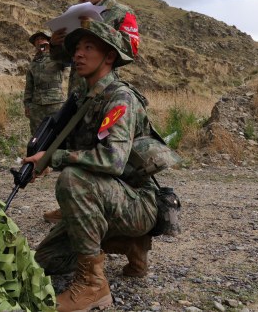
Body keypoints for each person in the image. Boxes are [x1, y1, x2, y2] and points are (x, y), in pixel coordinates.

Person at [23, 19, 158, 312]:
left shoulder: (119, 97)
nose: (78, 55)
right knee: (46, 261)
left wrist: (55, 159)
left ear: (109, 56)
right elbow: (79, 149)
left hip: (138, 201)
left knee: (72, 179)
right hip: (111, 199)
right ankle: (127, 243)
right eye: (76, 49)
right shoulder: (84, 98)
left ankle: (94, 285)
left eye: (88, 47)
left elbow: (113, 160)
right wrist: (43, 160)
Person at [44, 0, 141, 224]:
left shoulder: (121, 12)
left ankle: (108, 205)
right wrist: (56, 46)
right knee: (74, 142)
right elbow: (65, 59)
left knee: (101, 147)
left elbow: (131, 50)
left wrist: (98, 28)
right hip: (77, 91)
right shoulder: (73, 14)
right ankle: (70, 207)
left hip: (105, 92)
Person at [24, 30, 68, 133]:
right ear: (34, 44)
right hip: (37, 105)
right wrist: (27, 105)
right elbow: (29, 87)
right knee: (37, 134)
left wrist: (52, 48)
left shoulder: (57, 57)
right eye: (37, 40)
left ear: (48, 41)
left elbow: (67, 60)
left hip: (55, 103)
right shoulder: (33, 63)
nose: (40, 41)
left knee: (58, 132)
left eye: (42, 38)